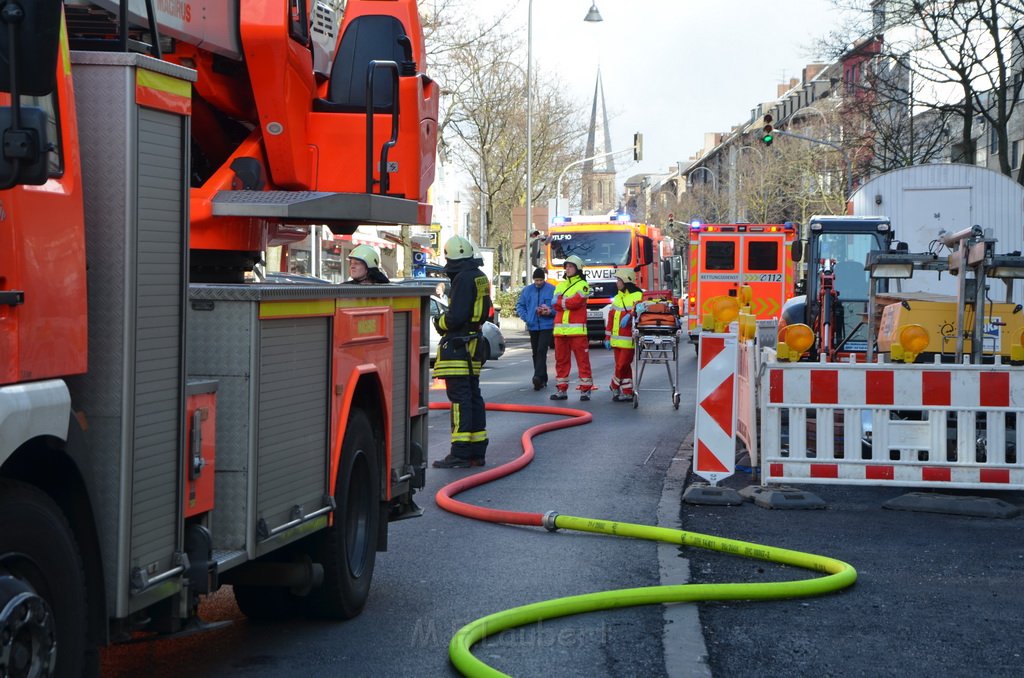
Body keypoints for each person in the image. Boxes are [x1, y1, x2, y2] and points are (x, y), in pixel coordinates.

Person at [432, 235, 493, 469]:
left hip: (458, 346)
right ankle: (477, 451)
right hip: (473, 345)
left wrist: (440, 322)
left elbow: (456, 316)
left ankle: (460, 452)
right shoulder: (479, 276)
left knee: (459, 400)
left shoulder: (462, 279)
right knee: (473, 397)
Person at [550, 255, 595, 401]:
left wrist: (561, 302)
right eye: (566, 267)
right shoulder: (560, 285)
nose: (567, 269)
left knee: (582, 361)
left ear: (578, 269)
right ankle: (561, 390)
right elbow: (553, 303)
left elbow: (575, 302)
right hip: (560, 331)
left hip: (577, 332)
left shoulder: (583, 285)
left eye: (570, 267)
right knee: (561, 361)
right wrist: (564, 302)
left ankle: (585, 390)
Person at [604, 268, 644, 402]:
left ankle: (613, 384)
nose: (617, 283)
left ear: (627, 281)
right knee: (624, 367)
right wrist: (607, 338)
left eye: (619, 280)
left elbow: (641, 310)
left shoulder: (638, 296)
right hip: (616, 340)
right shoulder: (617, 298)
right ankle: (627, 392)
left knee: (621, 365)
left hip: (629, 339)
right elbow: (610, 319)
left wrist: (630, 314)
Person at [515, 267, 555, 390]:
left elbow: (557, 308)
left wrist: (549, 312)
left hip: (546, 325)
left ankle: (537, 376)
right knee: (535, 352)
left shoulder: (552, 290)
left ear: (544, 279)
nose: (538, 283)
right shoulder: (527, 291)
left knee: (541, 350)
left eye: (540, 280)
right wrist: (527, 318)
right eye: (536, 280)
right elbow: (520, 305)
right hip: (533, 325)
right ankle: (542, 378)